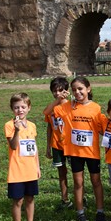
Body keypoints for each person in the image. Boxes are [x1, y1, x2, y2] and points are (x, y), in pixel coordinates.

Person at [48, 77, 105, 221]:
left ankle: (100, 211)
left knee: (96, 182)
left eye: (80, 89)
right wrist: (58, 100)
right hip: (75, 153)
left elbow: (101, 129)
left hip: (92, 152)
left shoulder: (96, 108)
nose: (77, 92)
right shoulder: (67, 107)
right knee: (78, 183)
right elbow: (46, 112)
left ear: (88, 89)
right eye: (74, 90)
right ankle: (80, 213)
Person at [5, 93, 42, 221]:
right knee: (18, 200)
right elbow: (13, 146)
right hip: (16, 170)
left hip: (30, 169)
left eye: (23, 107)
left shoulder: (32, 125)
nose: (20, 110)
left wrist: (37, 166)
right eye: (16, 107)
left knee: (30, 198)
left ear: (29, 108)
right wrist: (17, 130)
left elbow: (34, 148)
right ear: (12, 109)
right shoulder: (9, 125)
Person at [43, 76, 72, 210]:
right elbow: (49, 126)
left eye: (60, 90)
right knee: (62, 172)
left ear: (66, 90)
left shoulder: (71, 106)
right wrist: (48, 147)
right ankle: (65, 198)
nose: (57, 93)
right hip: (57, 145)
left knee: (78, 172)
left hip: (71, 145)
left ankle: (80, 196)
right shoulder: (52, 107)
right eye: (54, 91)